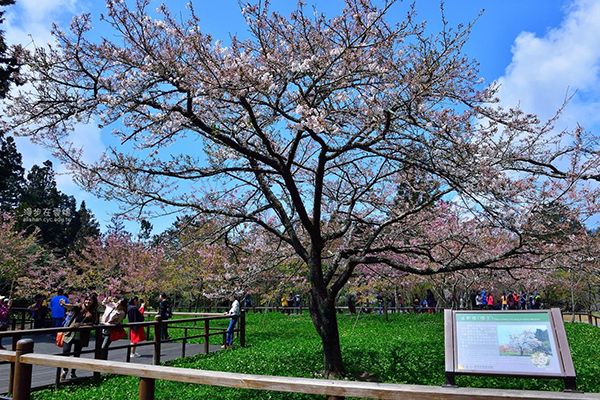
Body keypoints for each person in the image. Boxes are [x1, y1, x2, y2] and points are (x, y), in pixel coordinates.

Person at [59, 294, 98, 381]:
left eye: (90, 300)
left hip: (81, 335)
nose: (88, 302)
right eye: (87, 300)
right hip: (70, 333)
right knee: (65, 352)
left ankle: (73, 372)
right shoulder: (79, 307)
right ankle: (64, 371)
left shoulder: (93, 312)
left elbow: (92, 323)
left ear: (93, 301)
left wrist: (82, 324)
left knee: (77, 354)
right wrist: (64, 304)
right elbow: (72, 306)